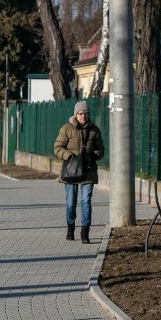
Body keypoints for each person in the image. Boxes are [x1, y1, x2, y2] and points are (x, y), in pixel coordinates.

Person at [53, 100, 104, 244]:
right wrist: (68, 155)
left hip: (88, 171)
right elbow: (57, 147)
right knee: (71, 203)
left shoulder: (95, 130)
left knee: (86, 201)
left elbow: (101, 149)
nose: (83, 116)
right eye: (80, 114)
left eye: (86, 113)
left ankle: (85, 232)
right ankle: (70, 227)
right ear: (76, 114)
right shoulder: (66, 129)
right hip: (71, 171)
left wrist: (96, 154)